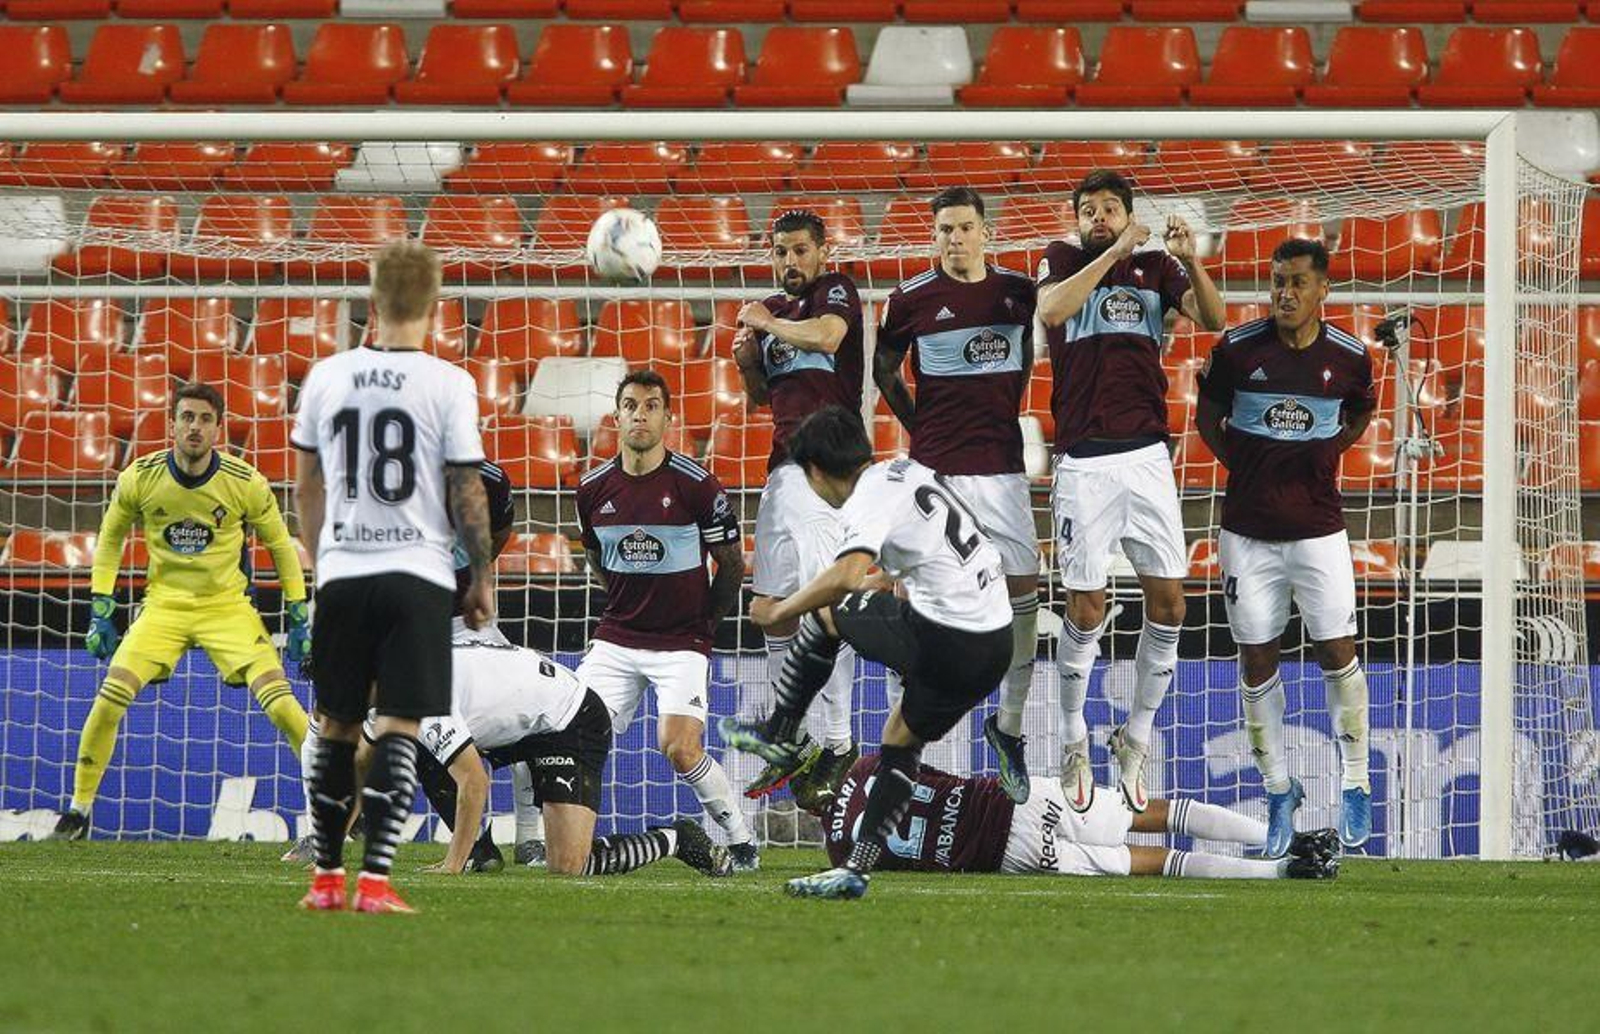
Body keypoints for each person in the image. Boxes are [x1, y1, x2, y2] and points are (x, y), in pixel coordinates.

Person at [719, 407, 1012, 900]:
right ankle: (855, 868)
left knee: (828, 614)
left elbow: (848, 578)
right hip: (993, 641)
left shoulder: (865, 499)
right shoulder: (908, 470)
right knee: (899, 742)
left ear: (814, 472)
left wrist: (779, 611)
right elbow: (905, 571)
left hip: (949, 634)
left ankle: (781, 735)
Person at [291, 240, 493, 914]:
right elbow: (466, 487)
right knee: (399, 728)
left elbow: (306, 485)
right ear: (435, 304)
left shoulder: (327, 375)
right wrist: (483, 574)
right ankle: (374, 884)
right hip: (417, 574)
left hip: (345, 569)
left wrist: (322, 562)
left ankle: (324, 880)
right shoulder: (450, 383)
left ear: (372, 301)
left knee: (337, 727)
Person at [1035, 168, 1226, 816]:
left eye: (1111, 209)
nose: (1099, 217)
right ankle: (1071, 735)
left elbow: (1215, 317)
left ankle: (1135, 739)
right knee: (1087, 608)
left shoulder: (1156, 270)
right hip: (1083, 460)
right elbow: (1051, 311)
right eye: (1088, 208)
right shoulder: (1062, 261)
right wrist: (1115, 253)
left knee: (1170, 604)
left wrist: (1189, 261)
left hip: (1147, 454)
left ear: (1129, 212)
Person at [50, 382, 311, 840]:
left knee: (284, 706)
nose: (195, 427)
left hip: (227, 608)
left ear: (218, 429)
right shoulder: (140, 476)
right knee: (109, 699)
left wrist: (298, 609)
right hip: (163, 607)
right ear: (172, 423)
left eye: (205, 419)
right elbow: (110, 539)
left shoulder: (245, 482)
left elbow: (281, 546)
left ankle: (336, 811)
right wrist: (100, 606)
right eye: (187, 417)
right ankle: (78, 811)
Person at [1195, 238, 1377, 855]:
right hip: (1246, 534)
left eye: (1298, 282)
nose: (1285, 293)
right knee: (1256, 663)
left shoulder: (1350, 358)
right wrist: (1245, 463)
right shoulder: (1238, 351)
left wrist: (1319, 458)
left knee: (1336, 651)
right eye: (1277, 282)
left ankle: (1355, 781)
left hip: (1320, 532)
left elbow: (1358, 413)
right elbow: (1207, 416)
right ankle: (1279, 791)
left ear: (1323, 289)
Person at [873, 185, 1041, 803]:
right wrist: (921, 428)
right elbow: (884, 370)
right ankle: (905, 755)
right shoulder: (910, 300)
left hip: (1000, 467)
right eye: (944, 229)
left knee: (1024, 590)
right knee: (921, 606)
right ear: (934, 234)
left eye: (965, 228)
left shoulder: (1018, 293)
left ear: (985, 232)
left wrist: (1004, 409)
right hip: (934, 472)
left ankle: (1010, 726)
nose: (954, 239)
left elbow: (1024, 361)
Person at [283, 457, 520, 867]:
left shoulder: (489, 479)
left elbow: (497, 535)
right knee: (326, 715)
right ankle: (320, 833)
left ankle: (529, 839)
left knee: (520, 711)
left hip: (466, 627)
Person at [370, 626, 732, 879]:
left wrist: (451, 863)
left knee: (570, 865)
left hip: (570, 718)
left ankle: (675, 839)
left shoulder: (421, 690)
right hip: (519, 718)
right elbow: (358, 758)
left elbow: (474, 782)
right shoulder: (388, 686)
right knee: (419, 749)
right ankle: (479, 853)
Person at [574, 370, 758, 869]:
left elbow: (733, 563)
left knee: (678, 747)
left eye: (651, 406)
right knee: (567, 729)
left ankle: (741, 841)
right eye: (631, 405)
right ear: (616, 417)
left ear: (668, 419)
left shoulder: (697, 486)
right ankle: (549, 841)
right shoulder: (591, 489)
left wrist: (705, 627)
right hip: (616, 638)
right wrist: (621, 604)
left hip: (681, 640)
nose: (640, 414)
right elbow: (597, 557)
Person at [732, 209, 868, 799]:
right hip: (781, 473)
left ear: (820, 252)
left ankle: (838, 742)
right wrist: (747, 364)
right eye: (781, 252)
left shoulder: (835, 292)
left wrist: (765, 323)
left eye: (800, 251)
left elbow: (829, 337)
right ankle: (794, 737)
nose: (790, 262)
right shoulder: (773, 314)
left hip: (828, 474)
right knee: (771, 609)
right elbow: (765, 395)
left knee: (821, 610)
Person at [800, 754, 1338, 881]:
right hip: (1015, 801)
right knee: (1152, 813)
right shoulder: (875, 762)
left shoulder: (841, 852)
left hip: (1005, 854)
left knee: (1144, 862)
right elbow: (941, 780)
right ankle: (1282, 837)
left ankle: (1282, 871)